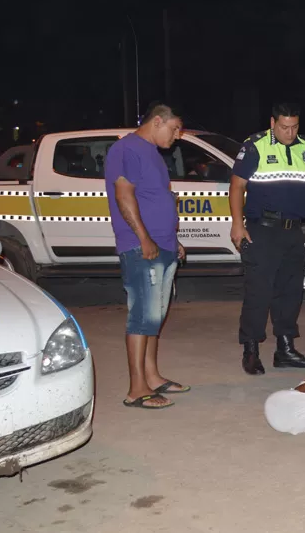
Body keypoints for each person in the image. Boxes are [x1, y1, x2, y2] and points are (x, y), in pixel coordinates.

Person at [104, 103, 188, 409]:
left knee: (155, 316)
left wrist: (173, 240)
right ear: (157, 122)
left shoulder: (153, 153)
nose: (177, 136)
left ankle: (152, 377)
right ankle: (136, 389)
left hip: (164, 245)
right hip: (142, 246)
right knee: (142, 316)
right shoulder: (126, 149)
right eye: (175, 129)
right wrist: (144, 238)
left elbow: (158, 198)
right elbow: (123, 195)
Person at [230, 102, 305, 374]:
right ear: (273, 123)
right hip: (262, 230)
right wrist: (237, 224)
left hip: (293, 231)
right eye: (284, 127)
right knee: (259, 292)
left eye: (294, 127)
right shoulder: (255, 145)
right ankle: (251, 350)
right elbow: (237, 186)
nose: (290, 132)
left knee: (291, 292)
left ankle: (285, 349)